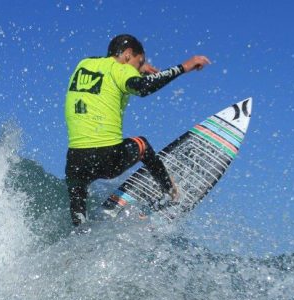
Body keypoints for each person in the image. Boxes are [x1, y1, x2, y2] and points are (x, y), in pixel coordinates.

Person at [64, 34, 211, 226]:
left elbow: (109, 68)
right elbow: (143, 87)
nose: (138, 68)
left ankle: (79, 241)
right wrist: (184, 66)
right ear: (127, 55)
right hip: (106, 157)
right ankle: (170, 192)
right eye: (138, 62)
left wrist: (139, 67)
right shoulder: (120, 70)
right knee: (142, 144)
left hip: (75, 162)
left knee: (79, 221)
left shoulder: (83, 64)